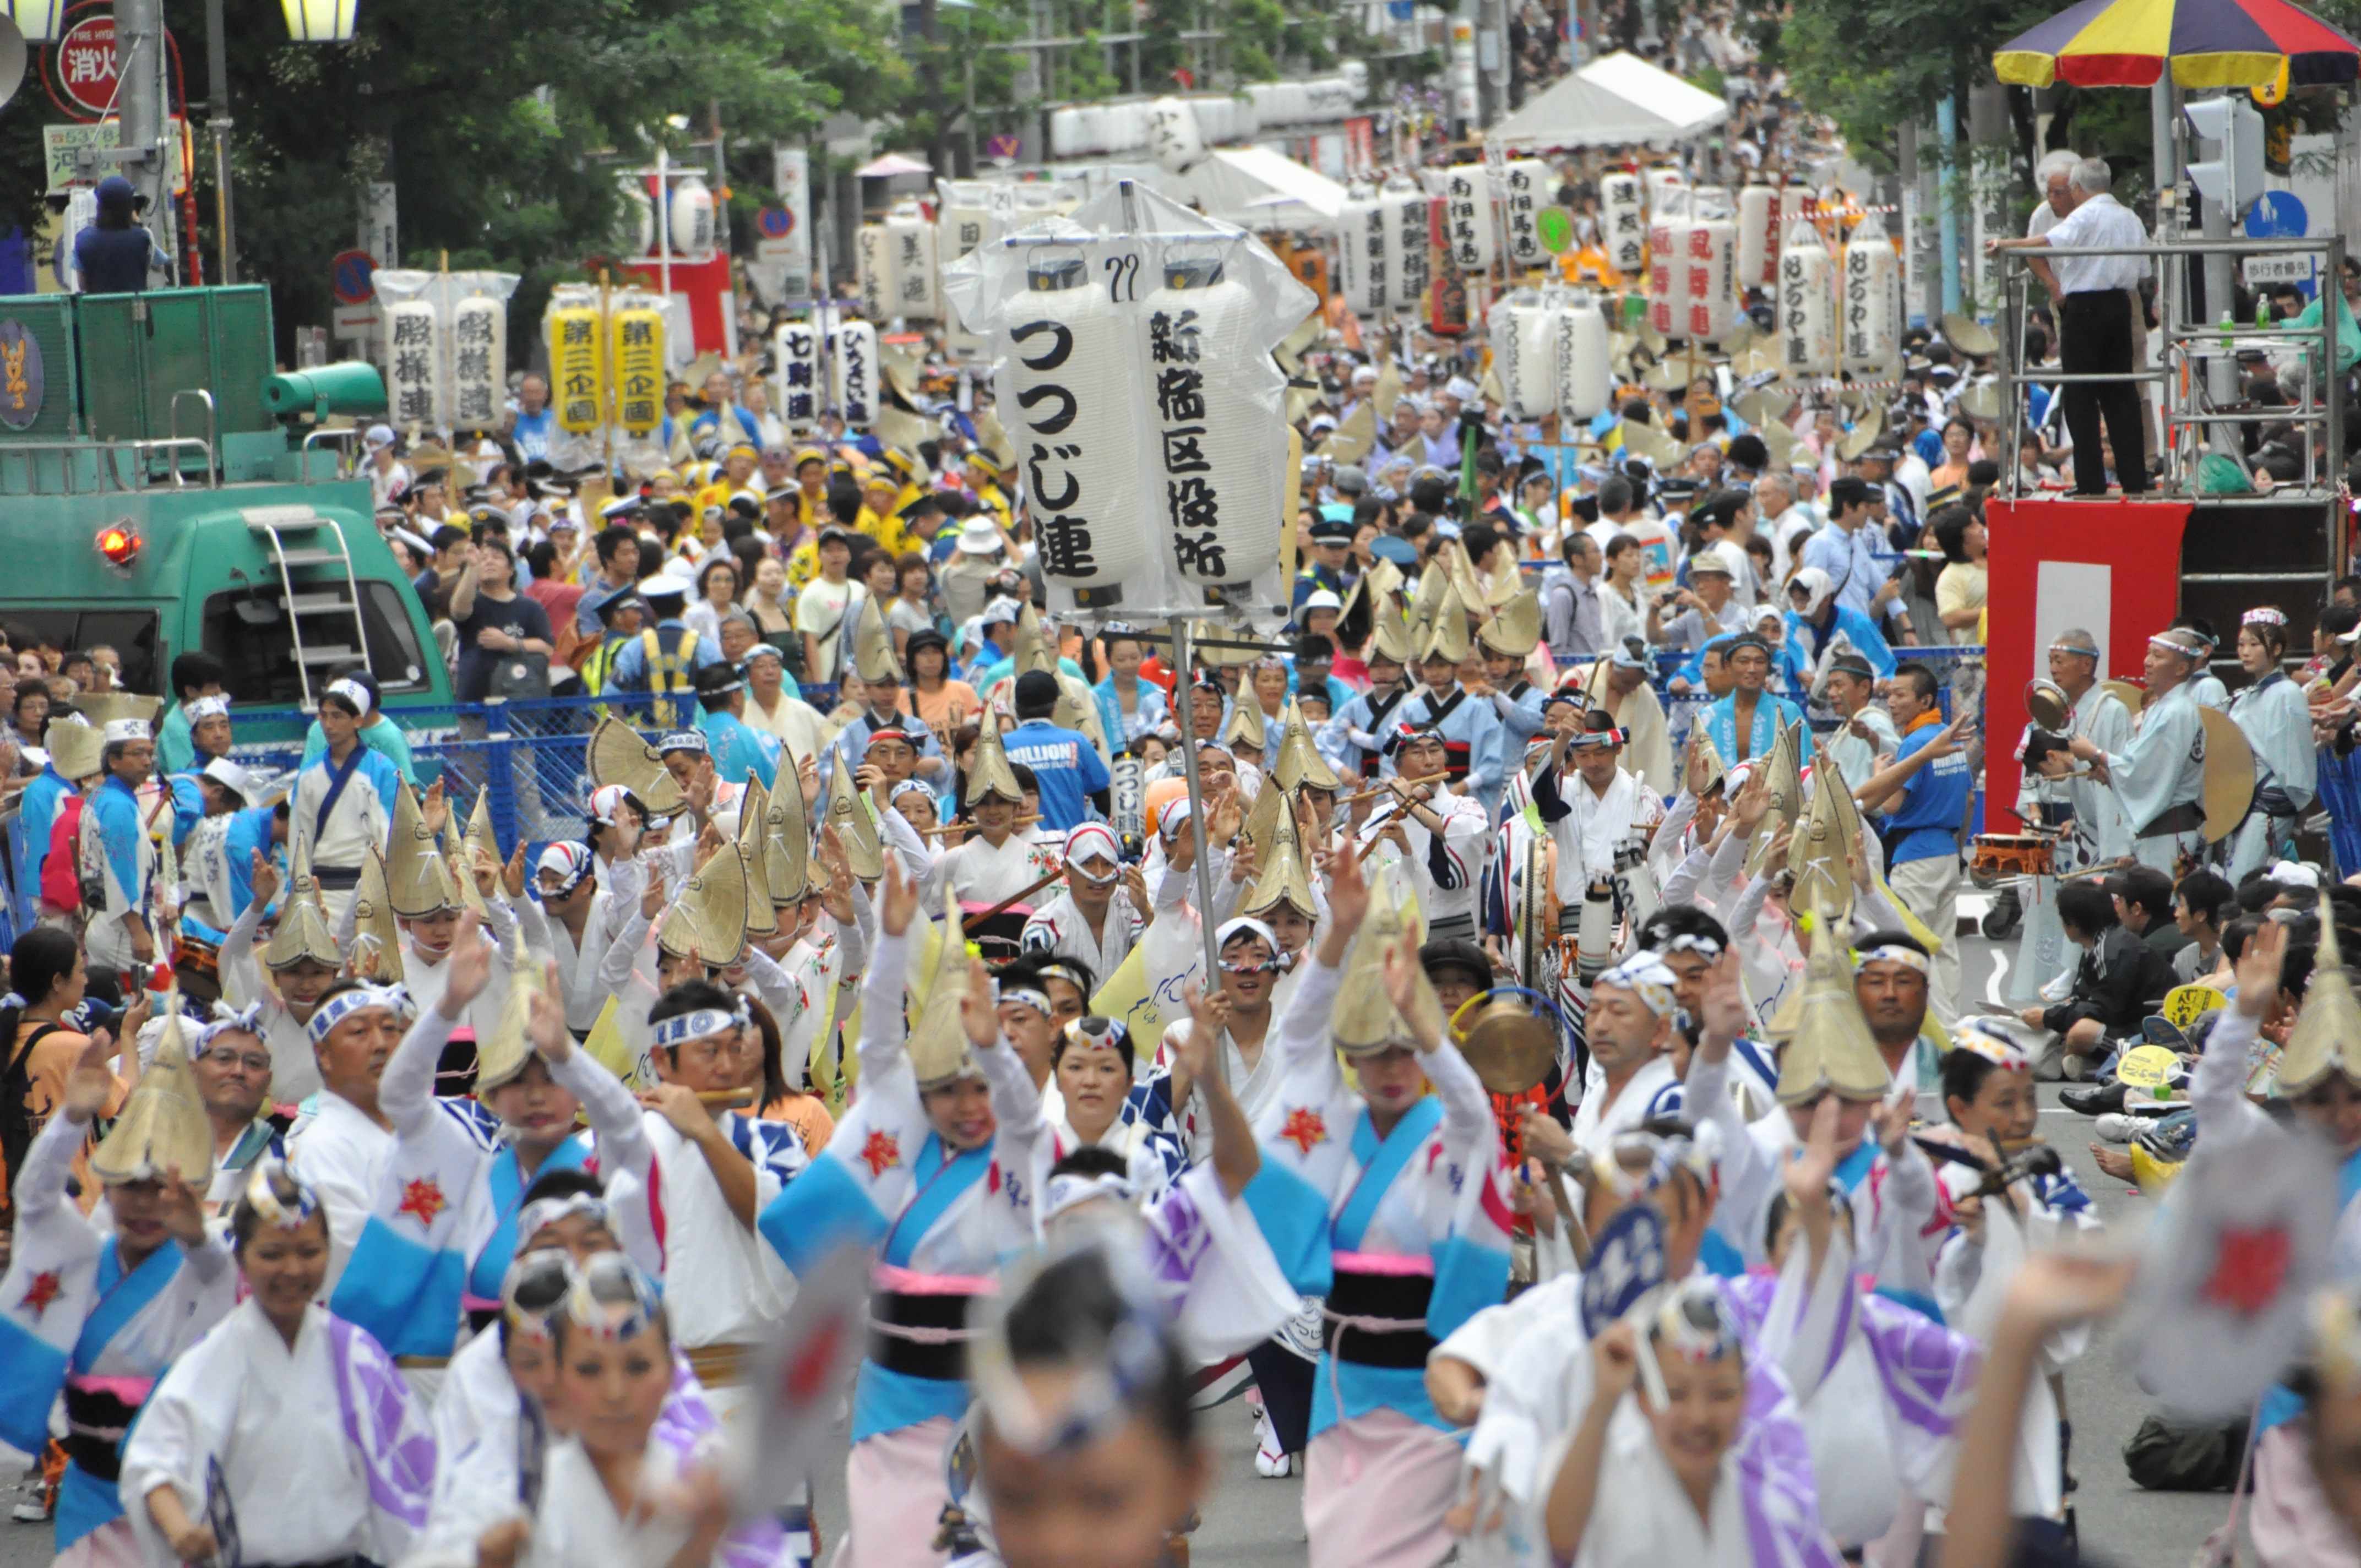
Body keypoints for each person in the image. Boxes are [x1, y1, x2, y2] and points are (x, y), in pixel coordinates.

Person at [757, 861, 1049, 1568]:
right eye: (948, 1092)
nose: (969, 1106)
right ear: (922, 1096)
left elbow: (1016, 1104)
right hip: (893, 1403)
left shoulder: (1019, 1145)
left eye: (981, 1089)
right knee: (896, 1549)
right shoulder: (893, 1146)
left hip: (994, 1403)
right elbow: (878, 1045)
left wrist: (989, 1046)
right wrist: (888, 948)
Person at [1237, 843, 1509, 1568]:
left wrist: (1425, 1025)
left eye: (1404, 1054)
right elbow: (1296, 1044)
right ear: (1350, 1060)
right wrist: (1336, 938)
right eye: (1374, 1053)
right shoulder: (1330, 1131)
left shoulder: (1447, 1136)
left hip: (1430, 1379)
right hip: (1344, 1379)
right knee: (1341, 1544)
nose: (1392, 1069)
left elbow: (1476, 1112)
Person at [119, 1159, 437, 1568]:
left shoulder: (356, 1353)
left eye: (309, 1252)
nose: (293, 1270)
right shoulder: (216, 1355)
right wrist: (181, 1531)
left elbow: (415, 1468)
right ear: (242, 1258)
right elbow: (154, 1462)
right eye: (272, 1254)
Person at [0, 1021, 235, 1567]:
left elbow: (220, 1274)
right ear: (108, 1185)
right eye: (131, 1185)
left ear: (190, 1192)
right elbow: (34, 1196)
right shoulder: (82, 1253)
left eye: (163, 1189)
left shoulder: (205, 1258)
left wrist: (197, 1233)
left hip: (184, 1485)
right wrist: (72, 1116)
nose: (146, 1203)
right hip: (92, 1489)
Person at [1988, 157, 2151, 494]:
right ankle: (2135, 476)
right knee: (2121, 393)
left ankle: (2091, 481)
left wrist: (2006, 245)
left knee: (2080, 394)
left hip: (2086, 308)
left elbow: (2049, 241)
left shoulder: (2085, 214)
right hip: (2121, 305)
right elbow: (2144, 270)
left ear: (2078, 188)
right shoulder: (2129, 216)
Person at [2010, 629, 2135, 1010]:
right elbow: (2036, 771)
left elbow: (2117, 781)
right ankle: (2055, 988)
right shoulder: (2065, 713)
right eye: (2051, 662)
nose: (2053, 669)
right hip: (2076, 831)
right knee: (2055, 911)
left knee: (2088, 915)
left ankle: (2077, 991)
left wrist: (2117, 849)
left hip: (2103, 835)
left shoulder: (2110, 710)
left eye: (2060, 661)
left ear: (2086, 663)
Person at [1856, 664, 1977, 1028]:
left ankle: (1940, 1028)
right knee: (1945, 947)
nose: (1892, 701)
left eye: (1901, 694)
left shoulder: (1916, 742)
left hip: (1915, 855)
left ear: (1925, 699)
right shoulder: (1947, 736)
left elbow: (1889, 805)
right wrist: (1957, 853)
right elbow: (1969, 799)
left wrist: (1879, 775)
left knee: (1916, 945)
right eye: (1890, 694)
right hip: (1946, 852)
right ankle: (1951, 1021)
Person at [2070, 625, 2210, 872]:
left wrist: (2096, 754)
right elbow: (2144, 767)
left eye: (2158, 656)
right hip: (2165, 828)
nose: (2148, 662)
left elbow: (2144, 770)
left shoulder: (2176, 712)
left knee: (2165, 902)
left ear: (2180, 668)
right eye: (2149, 653)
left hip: (2171, 828)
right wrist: (2109, 775)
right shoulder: (2163, 708)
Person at [287, 679, 407, 920]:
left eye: (338, 716)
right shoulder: (310, 772)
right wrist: (300, 889)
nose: (329, 725)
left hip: (370, 887)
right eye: (324, 716)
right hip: (324, 891)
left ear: (358, 721)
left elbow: (391, 831)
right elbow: (300, 835)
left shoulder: (383, 769)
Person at [2225, 607, 2316, 881]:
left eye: (2254, 644)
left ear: (2276, 649)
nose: (2245, 652)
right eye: (2242, 644)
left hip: (2268, 800)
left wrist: (2292, 801)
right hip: (2241, 797)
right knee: (2236, 879)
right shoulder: (2247, 696)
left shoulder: (2287, 693)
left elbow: (2294, 758)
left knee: (2245, 881)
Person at [1021, 821, 1141, 979]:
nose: (1099, 874)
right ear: (1066, 868)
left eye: (1107, 864)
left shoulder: (1132, 908)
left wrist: (1145, 909)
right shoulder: (1044, 928)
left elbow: (1158, 964)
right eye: (1087, 862)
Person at [1003, 671, 1112, 831]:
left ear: (1016, 708)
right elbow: (1103, 796)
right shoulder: (1077, 742)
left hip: (1021, 848)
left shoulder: (1002, 746)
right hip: (1071, 848)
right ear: (1055, 707)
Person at [71, 176, 165, 295]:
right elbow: (159, 267)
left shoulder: (83, 239)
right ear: (130, 207)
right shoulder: (142, 237)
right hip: (136, 310)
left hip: (97, 310)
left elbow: (82, 284)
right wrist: (138, 223)